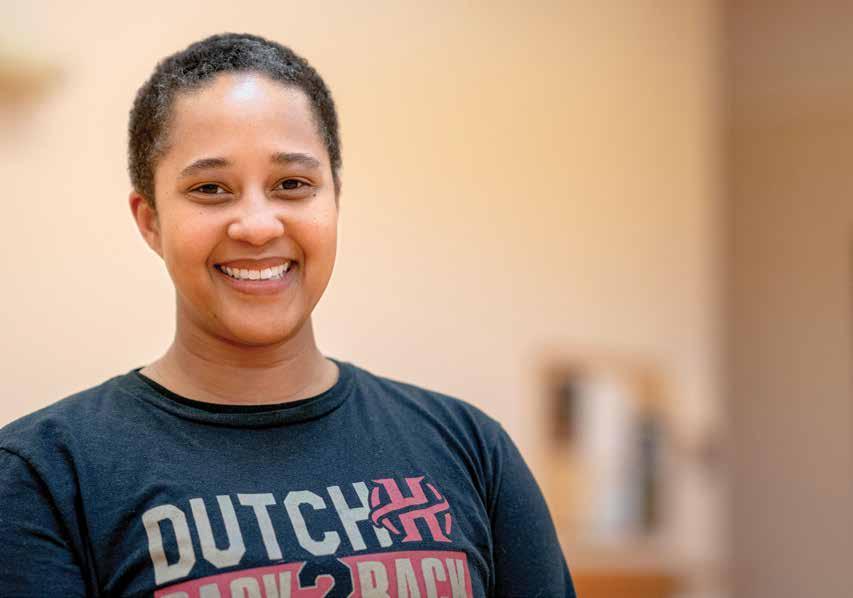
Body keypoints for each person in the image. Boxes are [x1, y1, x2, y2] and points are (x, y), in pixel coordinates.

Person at [0, 33, 576, 597]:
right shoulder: (44, 475)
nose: (257, 226)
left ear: (335, 198)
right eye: (210, 188)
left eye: (292, 184)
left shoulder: (470, 447)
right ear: (150, 220)